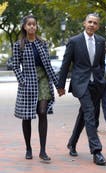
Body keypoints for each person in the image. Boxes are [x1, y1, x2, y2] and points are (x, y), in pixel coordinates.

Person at [57, 13, 106, 166]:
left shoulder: (101, 41)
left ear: (98, 26)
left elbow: (101, 63)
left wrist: (102, 79)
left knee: (85, 114)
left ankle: (72, 143)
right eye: (89, 22)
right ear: (84, 23)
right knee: (90, 113)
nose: (92, 25)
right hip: (81, 83)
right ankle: (97, 151)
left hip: (96, 83)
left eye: (95, 23)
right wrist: (60, 85)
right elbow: (66, 64)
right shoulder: (74, 41)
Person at [12, 15, 61, 161]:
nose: (32, 27)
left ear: (36, 26)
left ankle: (43, 151)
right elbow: (15, 66)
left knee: (42, 112)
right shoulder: (18, 45)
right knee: (27, 116)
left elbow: (48, 65)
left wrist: (58, 84)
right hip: (28, 81)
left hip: (43, 80)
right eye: (29, 24)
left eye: (34, 24)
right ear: (24, 27)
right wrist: (22, 81)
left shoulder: (42, 43)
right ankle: (28, 148)